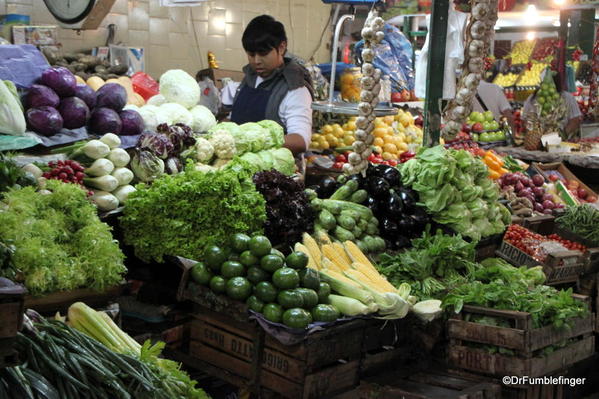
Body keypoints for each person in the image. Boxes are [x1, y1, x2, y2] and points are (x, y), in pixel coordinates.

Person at [221, 15, 314, 155]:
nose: (257, 61)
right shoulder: (250, 78)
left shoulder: (295, 88)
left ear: (281, 47)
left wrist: (253, 143)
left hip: (270, 172)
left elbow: (300, 140)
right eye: (251, 54)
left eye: (263, 53)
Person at [522, 72, 581, 140]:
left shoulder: (567, 98)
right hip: (537, 140)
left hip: (562, 140)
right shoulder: (532, 99)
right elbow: (526, 120)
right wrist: (534, 136)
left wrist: (563, 135)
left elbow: (575, 120)